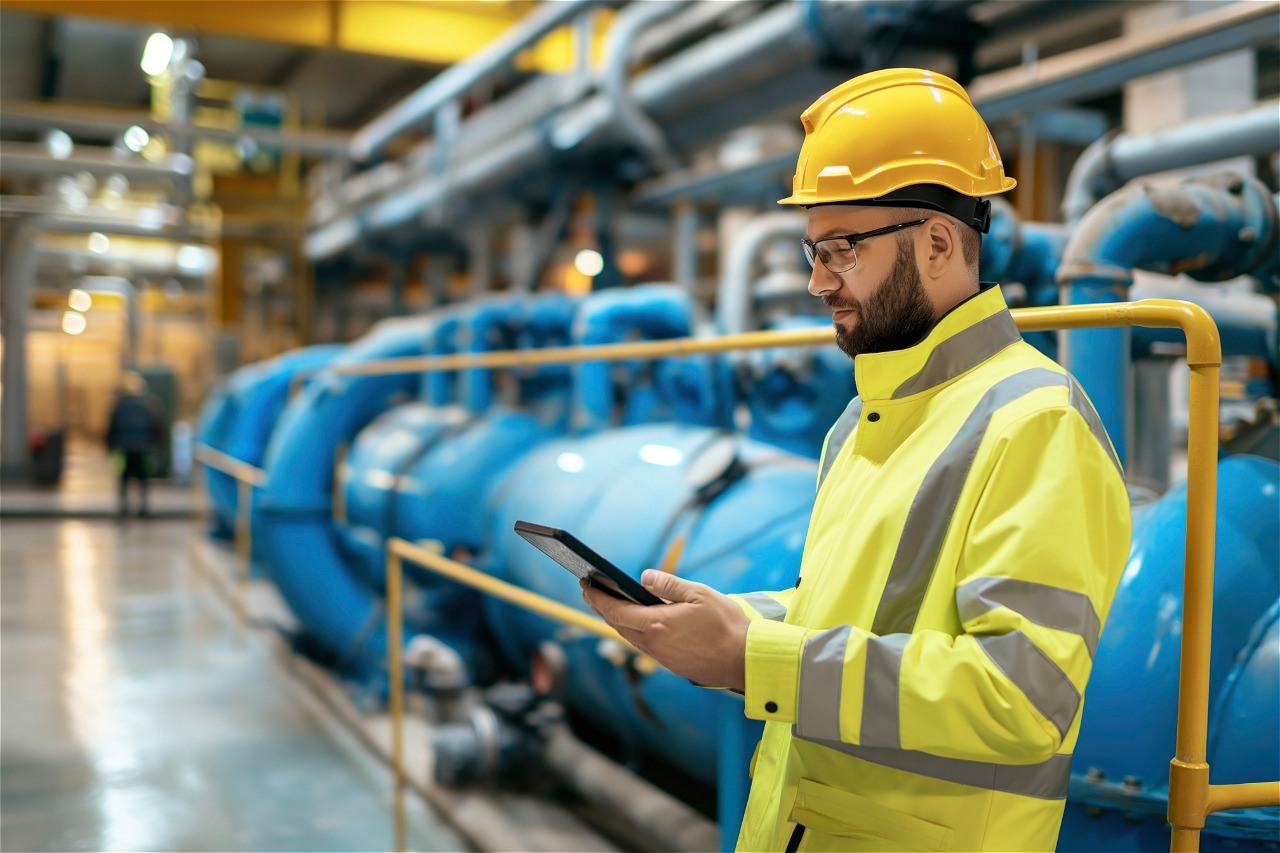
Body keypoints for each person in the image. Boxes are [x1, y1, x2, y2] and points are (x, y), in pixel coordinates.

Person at [584, 68, 1131, 852]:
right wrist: (734, 623)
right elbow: (852, 615)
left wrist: (753, 657)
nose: (815, 282)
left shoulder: (1037, 422)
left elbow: (1020, 693)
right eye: (813, 251)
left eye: (840, 250)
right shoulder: (865, 418)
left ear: (940, 242)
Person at [106, 371, 164, 517]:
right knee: (143, 478)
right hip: (143, 447)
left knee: (124, 478)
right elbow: (156, 427)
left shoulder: (118, 405)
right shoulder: (150, 403)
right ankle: (143, 508)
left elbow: (112, 427)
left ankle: (123, 508)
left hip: (124, 447)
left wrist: (110, 446)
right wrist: (157, 445)